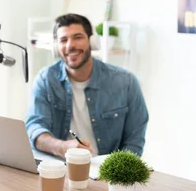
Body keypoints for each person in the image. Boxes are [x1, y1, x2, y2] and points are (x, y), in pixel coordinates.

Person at [25, 14, 149, 158]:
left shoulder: (126, 82)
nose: (70, 45)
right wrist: (61, 147)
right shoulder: (45, 80)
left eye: (77, 37)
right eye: (63, 40)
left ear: (92, 42)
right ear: (56, 47)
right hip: (59, 166)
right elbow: (34, 129)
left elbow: (134, 140)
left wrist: (116, 175)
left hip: (105, 171)